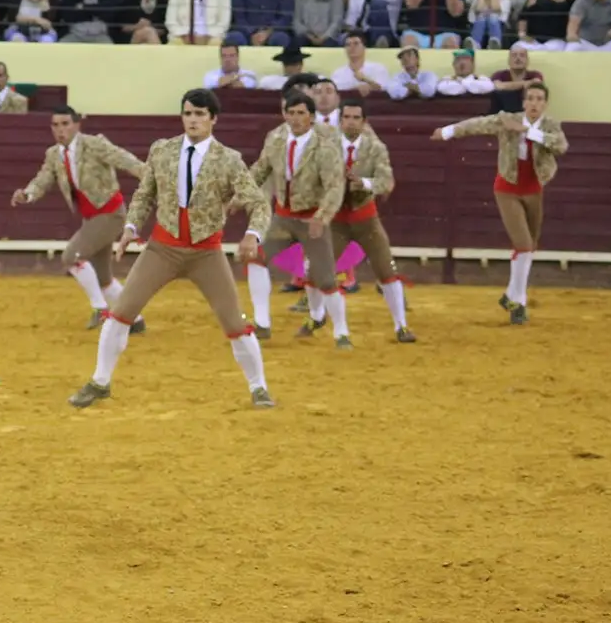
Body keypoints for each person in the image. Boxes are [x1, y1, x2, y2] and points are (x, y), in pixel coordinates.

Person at [67, 89, 275, 410]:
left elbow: (259, 204)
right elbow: (144, 194)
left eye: (200, 114)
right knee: (120, 314)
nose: (193, 120)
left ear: (213, 119)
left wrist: (252, 235)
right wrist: (130, 229)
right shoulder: (162, 150)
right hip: (163, 248)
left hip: (207, 252)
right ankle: (100, 382)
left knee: (235, 323)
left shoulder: (229, 160)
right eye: (188, 113)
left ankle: (259, 387)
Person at [431, 82, 568, 324]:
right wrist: (448, 131)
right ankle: (519, 301)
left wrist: (527, 132)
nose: (534, 103)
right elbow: (478, 124)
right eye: (531, 98)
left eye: (539, 99)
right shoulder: (506, 119)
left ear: (545, 104)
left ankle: (509, 295)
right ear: (523, 102)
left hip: (534, 190)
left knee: (529, 246)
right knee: (524, 244)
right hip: (507, 188)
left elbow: (561, 146)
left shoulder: (551, 125)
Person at [12, 106, 148, 332]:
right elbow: (43, 179)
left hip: (110, 213)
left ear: (77, 125)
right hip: (91, 217)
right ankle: (134, 320)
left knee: (71, 257)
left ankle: (101, 309)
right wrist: (28, 194)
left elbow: (125, 160)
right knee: (103, 278)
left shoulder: (94, 144)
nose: (60, 130)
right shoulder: (54, 154)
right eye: (55, 125)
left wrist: (153, 178)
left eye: (65, 124)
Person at [300, 98, 416, 343]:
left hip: (365, 219)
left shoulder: (376, 148)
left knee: (386, 270)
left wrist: (362, 183)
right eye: (346, 117)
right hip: (336, 220)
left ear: (365, 123)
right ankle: (317, 314)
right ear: (340, 120)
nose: (350, 122)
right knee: (314, 270)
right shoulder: (325, 145)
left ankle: (401, 326)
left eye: (356, 118)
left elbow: (386, 183)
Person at [243, 90, 352, 349]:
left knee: (325, 279)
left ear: (312, 117)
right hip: (283, 217)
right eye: (290, 113)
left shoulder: (325, 147)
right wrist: (239, 194)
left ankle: (341, 332)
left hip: (311, 218)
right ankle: (262, 323)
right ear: (283, 114)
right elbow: (261, 169)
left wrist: (322, 216)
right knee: (256, 257)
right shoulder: (276, 138)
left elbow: (335, 186)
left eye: (301, 113)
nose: (294, 118)